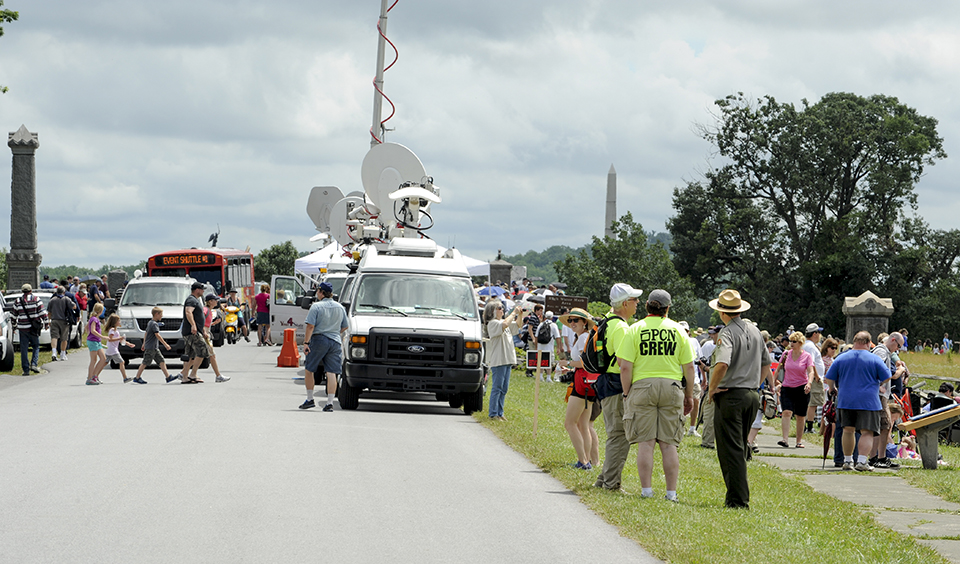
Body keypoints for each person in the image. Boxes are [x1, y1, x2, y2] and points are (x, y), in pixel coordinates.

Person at [617, 289, 695, 502]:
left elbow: (625, 367)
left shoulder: (635, 329)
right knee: (669, 444)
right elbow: (689, 367)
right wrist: (689, 395)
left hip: (642, 386)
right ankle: (671, 494)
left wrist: (626, 394)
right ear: (667, 309)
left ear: (647, 306)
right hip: (671, 386)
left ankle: (647, 491)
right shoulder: (678, 330)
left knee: (646, 442)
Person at [707, 289, 771, 509]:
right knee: (740, 446)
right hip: (751, 394)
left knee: (730, 449)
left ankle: (738, 500)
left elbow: (722, 363)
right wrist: (755, 382)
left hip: (731, 394)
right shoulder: (754, 331)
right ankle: (736, 496)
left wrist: (712, 388)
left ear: (722, 312)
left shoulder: (726, 333)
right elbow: (766, 363)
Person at [593, 282, 642, 491]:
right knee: (619, 435)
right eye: (634, 299)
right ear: (624, 303)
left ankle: (603, 479)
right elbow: (624, 363)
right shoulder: (622, 327)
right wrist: (627, 391)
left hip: (606, 383)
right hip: (615, 384)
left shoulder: (608, 320)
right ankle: (611, 484)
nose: (638, 303)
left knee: (616, 434)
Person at [825, 330, 894, 472]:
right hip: (868, 401)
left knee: (848, 430)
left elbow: (829, 378)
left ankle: (847, 460)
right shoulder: (874, 359)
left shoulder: (841, 358)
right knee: (867, 432)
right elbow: (887, 376)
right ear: (869, 343)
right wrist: (878, 384)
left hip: (845, 400)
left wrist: (833, 388)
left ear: (854, 341)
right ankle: (862, 461)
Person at [558, 308, 601, 470]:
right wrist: (571, 369)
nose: (573, 323)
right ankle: (586, 460)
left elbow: (585, 363)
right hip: (587, 384)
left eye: (576, 320)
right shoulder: (584, 337)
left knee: (570, 423)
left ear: (585, 323)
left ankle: (583, 461)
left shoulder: (583, 337)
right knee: (584, 424)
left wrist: (567, 363)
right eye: (570, 320)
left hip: (582, 385)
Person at [298, 282, 347, 411]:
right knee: (332, 372)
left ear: (321, 292)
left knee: (309, 369)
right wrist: (335, 332)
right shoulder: (340, 307)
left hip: (319, 339)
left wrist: (306, 343)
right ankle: (329, 403)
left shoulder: (316, 307)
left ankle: (309, 399)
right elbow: (345, 325)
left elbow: (310, 326)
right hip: (335, 341)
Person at [870, 332, 905, 468]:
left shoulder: (886, 352)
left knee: (883, 426)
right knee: (884, 425)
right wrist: (879, 384)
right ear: (893, 340)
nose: (898, 349)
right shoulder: (881, 351)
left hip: (881, 394)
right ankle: (877, 458)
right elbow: (876, 368)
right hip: (879, 394)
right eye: (898, 346)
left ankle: (879, 457)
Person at [775, 331, 815, 448]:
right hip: (787, 386)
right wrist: (774, 383)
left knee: (800, 415)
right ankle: (785, 439)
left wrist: (809, 383)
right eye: (790, 341)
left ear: (800, 343)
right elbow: (778, 369)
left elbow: (811, 371)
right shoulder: (786, 354)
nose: (791, 343)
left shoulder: (806, 356)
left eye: (794, 341)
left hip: (802, 387)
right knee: (786, 412)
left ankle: (798, 441)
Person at [483, 298, 522, 420]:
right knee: (497, 387)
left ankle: (500, 412)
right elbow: (505, 324)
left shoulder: (505, 322)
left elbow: (519, 325)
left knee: (504, 388)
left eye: (502, 308)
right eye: (499, 308)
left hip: (507, 360)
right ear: (492, 311)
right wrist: (514, 312)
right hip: (499, 360)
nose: (502, 310)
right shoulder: (493, 323)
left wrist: (520, 315)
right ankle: (493, 413)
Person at [13, 284, 48, 375]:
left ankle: (26, 370)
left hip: (22, 328)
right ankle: (33, 364)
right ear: (31, 290)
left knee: (23, 349)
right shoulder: (36, 299)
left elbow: (13, 315)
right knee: (36, 346)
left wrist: (14, 325)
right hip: (33, 328)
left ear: (22, 291)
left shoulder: (17, 301)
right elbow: (43, 312)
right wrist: (46, 323)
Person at [134, 307, 175, 384]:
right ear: (156, 314)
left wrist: (144, 343)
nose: (161, 316)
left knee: (161, 361)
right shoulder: (154, 324)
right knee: (145, 362)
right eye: (161, 314)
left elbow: (146, 333)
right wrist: (166, 344)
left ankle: (168, 377)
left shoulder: (150, 322)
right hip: (151, 348)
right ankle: (137, 377)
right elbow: (157, 335)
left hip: (154, 348)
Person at [179, 282, 209, 384]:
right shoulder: (191, 300)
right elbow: (188, 312)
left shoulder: (194, 300)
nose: (203, 291)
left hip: (193, 331)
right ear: (197, 290)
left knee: (189, 354)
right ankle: (193, 374)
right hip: (192, 332)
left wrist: (202, 330)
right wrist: (193, 325)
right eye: (202, 289)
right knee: (203, 350)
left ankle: (185, 376)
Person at [679, 320, 703, 438]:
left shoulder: (694, 342)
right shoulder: (676, 341)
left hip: (694, 378)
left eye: (686, 330)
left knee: (695, 401)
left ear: (689, 332)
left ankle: (692, 428)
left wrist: (704, 378)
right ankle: (680, 427)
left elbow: (699, 361)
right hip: (679, 377)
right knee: (680, 404)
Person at [802, 323, 826, 434]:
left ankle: (806, 424)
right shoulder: (810, 346)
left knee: (811, 403)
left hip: (809, 377)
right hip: (813, 378)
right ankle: (810, 426)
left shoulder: (807, 345)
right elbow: (810, 363)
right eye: (819, 333)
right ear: (814, 334)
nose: (820, 335)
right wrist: (816, 376)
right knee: (813, 403)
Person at [699, 326, 720, 450]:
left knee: (709, 414)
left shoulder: (721, 348)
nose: (711, 336)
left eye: (714, 334)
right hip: (721, 386)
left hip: (717, 387)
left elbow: (720, 368)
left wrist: (705, 368)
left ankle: (708, 441)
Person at [101, 313, 138, 383]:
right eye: (118, 321)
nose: (119, 322)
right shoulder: (112, 330)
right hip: (113, 350)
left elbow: (120, 340)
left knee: (105, 362)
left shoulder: (115, 330)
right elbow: (110, 339)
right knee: (122, 362)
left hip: (110, 349)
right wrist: (119, 338)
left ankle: (95, 374)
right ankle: (125, 378)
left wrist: (128, 344)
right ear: (115, 322)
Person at [203, 294, 230, 383]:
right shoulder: (205, 310)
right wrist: (204, 332)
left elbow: (206, 323)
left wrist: (213, 324)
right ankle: (218, 375)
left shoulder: (209, 311)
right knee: (211, 355)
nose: (217, 302)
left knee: (198, 356)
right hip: (205, 335)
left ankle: (186, 373)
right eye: (215, 300)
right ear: (210, 301)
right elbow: (201, 321)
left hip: (207, 334)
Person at [47, 286, 74, 363]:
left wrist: (49, 319)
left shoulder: (52, 300)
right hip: (64, 321)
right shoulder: (66, 299)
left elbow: (49, 312)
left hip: (54, 320)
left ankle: (54, 352)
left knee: (54, 337)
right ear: (64, 292)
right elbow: (74, 306)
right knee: (64, 338)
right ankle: (62, 354)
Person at [534, 310, 560, 382]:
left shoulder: (541, 324)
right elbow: (557, 337)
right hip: (549, 347)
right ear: (552, 317)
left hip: (540, 346)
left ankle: (541, 376)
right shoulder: (554, 325)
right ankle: (548, 377)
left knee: (541, 361)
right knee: (549, 362)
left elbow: (536, 336)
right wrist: (558, 347)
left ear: (545, 317)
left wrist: (536, 346)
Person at [86, 302, 106, 385]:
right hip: (93, 341)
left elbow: (87, 327)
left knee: (103, 358)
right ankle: (90, 378)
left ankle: (95, 375)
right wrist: (102, 336)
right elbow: (92, 330)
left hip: (97, 341)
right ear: (101, 311)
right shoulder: (94, 319)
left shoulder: (95, 319)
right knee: (93, 360)